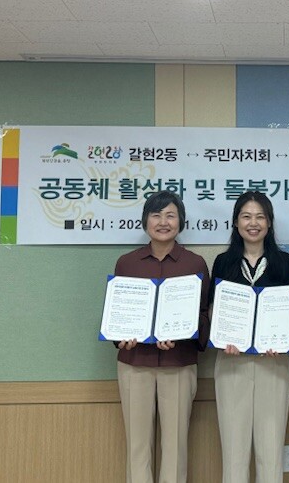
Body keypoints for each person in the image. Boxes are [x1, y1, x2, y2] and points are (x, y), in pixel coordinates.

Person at [113, 190, 210, 483]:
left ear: (181, 221)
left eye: (170, 215)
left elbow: (204, 314)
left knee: (175, 447)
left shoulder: (195, 264)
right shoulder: (126, 263)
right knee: (137, 447)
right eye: (156, 215)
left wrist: (183, 336)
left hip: (178, 363)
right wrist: (121, 338)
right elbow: (118, 312)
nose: (163, 222)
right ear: (145, 221)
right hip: (134, 362)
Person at [209, 191, 289, 483]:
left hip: (273, 363)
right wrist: (223, 338)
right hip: (231, 362)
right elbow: (213, 309)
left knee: (270, 450)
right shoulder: (223, 262)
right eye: (246, 216)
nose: (253, 223)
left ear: (269, 223)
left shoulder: (284, 261)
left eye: (260, 217)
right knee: (233, 452)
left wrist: (281, 338)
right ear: (236, 222)